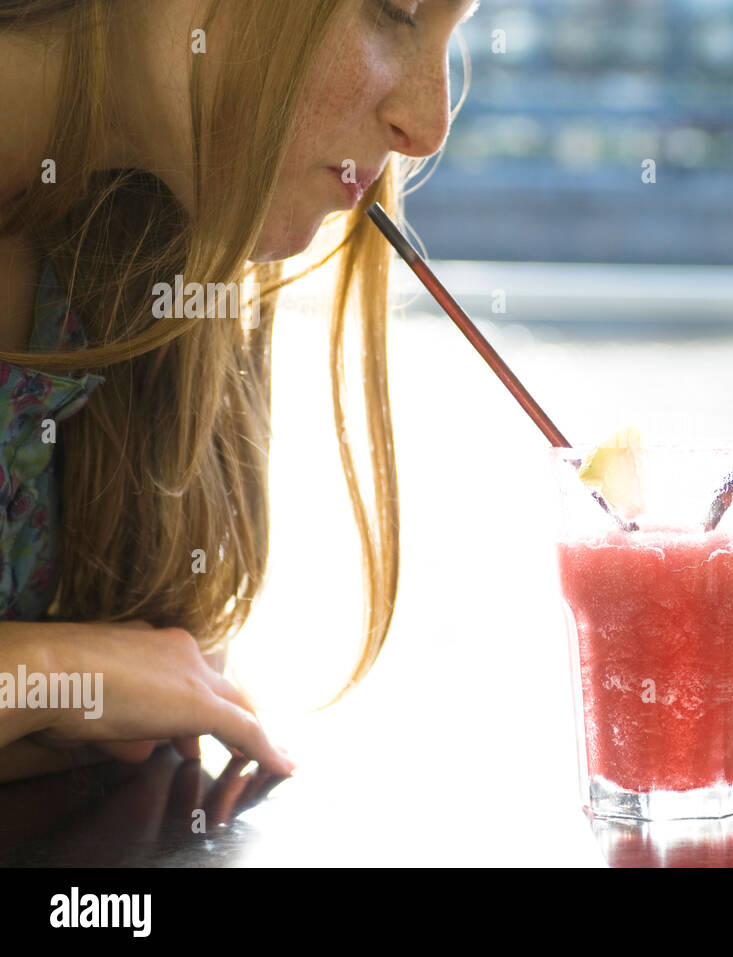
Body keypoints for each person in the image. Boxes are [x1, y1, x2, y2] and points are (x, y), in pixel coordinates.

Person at [0, 0, 477, 782]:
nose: (428, 127)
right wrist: (52, 674)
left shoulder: (148, 260)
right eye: (396, 10)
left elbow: (142, 697)